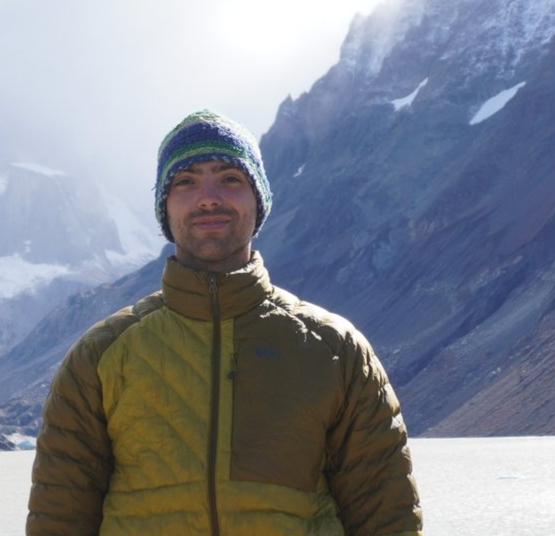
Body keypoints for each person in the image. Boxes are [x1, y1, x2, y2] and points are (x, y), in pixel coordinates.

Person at [26, 110, 423, 535]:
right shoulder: (100, 358)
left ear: (258, 199)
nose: (208, 197)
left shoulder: (335, 352)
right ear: (165, 205)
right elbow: (59, 521)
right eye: (186, 181)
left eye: (230, 178)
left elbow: (387, 518)